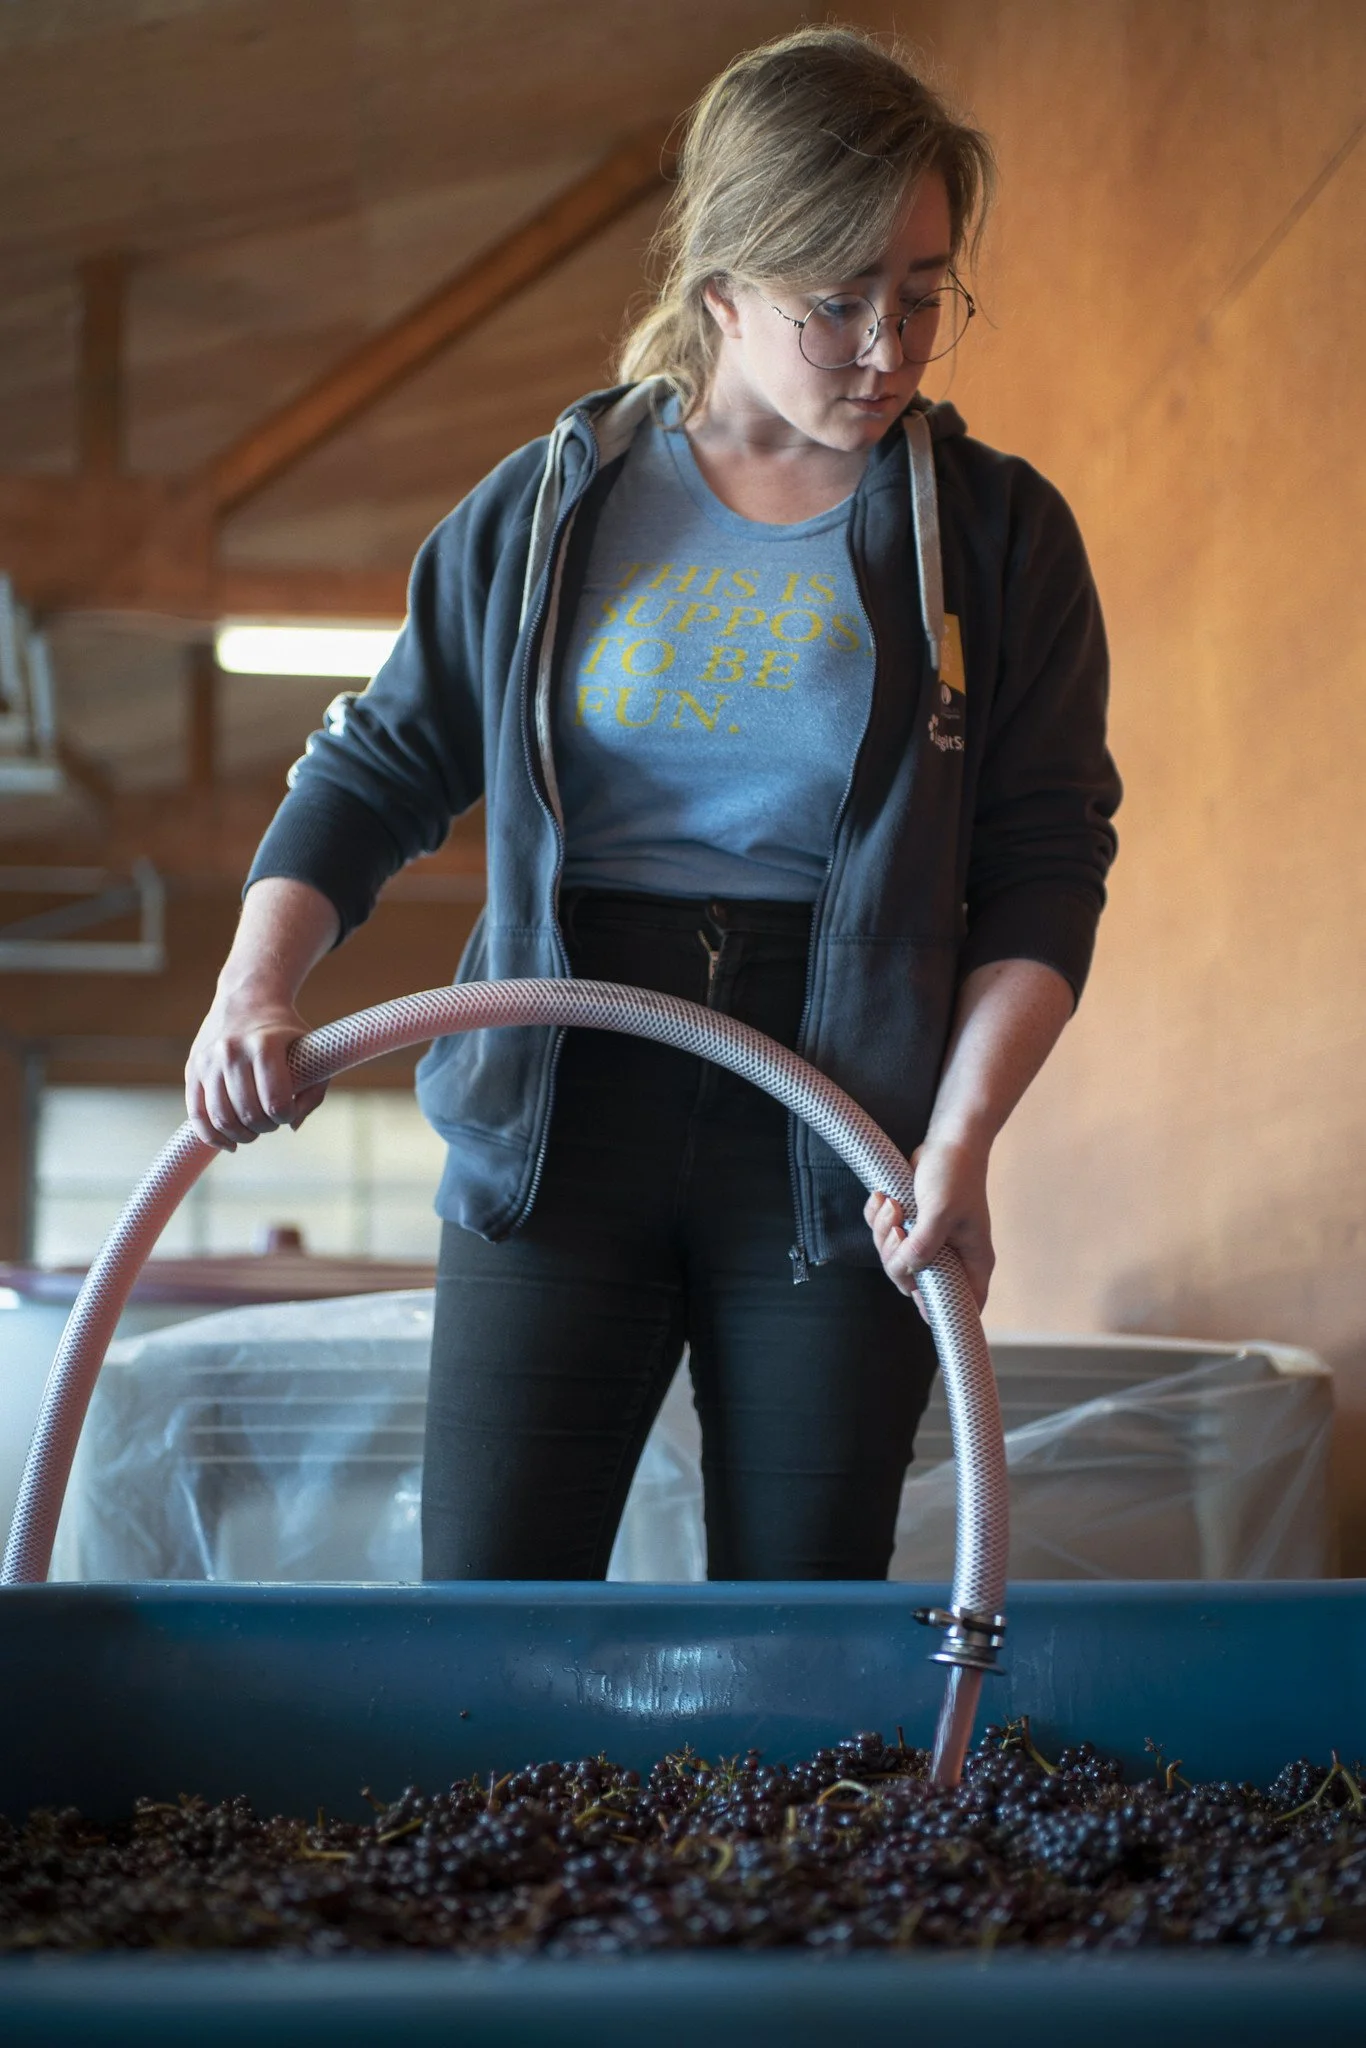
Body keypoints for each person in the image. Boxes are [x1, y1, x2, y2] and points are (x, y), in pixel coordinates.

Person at [186, 27, 1120, 1583]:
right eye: (835, 304)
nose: (887, 347)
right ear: (721, 294)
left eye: (921, 291)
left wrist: (956, 1140)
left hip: (839, 1126)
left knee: (806, 1611)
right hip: (560, 1099)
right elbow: (381, 760)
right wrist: (252, 987)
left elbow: (1042, 859)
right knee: (488, 1602)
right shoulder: (552, 510)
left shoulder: (998, 535)